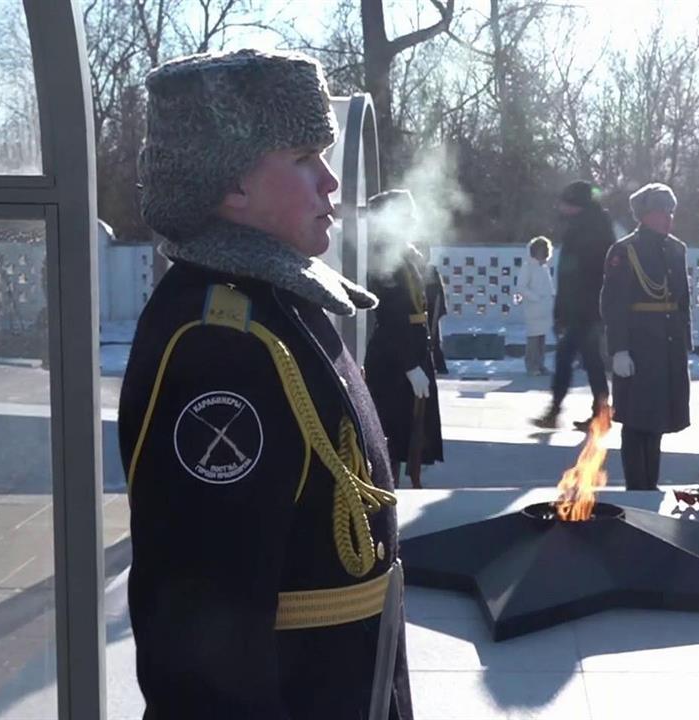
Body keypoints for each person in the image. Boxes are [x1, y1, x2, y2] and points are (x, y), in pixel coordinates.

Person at [117, 49, 412, 718]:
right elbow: (199, 635)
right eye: (305, 157)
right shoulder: (218, 342)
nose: (331, 182)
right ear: (233, 185)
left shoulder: (278, 303)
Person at [601, 183, 691, 491]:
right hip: (639, 345)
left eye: (670, 211)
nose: (667, 218)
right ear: (644, 215)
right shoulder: (624, 251)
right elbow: (613, 303)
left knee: (658, 420)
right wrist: (619, 349)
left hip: (667, 345)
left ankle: (650, 484)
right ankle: (637, 487)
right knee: (637, 421)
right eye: (661, 211)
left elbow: (682, 302)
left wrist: (684, 345)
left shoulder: (677, 249)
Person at [364, 189, 443, 486]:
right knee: (392, 433)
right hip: (394, 358)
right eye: (405, 216)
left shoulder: (404, 252)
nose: (412, 221)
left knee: (408, 432)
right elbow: (392, 314)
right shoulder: (385, 254)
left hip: (412, 350)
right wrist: (410, 365)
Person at [532, 180, 615, 431]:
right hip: (593, 307)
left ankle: (558, 410)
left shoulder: (582, 229)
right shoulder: (597, 225)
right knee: (591, 361)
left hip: (584, 308)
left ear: (576, 204)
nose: (561, 207)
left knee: (567, 356)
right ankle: (600, 413)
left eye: (565, 202)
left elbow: (570, 275)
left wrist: (562, 311)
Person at [516, 236, 555, 376]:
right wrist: (536, 298)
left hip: (543, 310)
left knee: (541, 339)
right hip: (533, 309)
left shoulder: (543, 267)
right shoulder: (528, 266)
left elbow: (547, 287)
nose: (542, 254)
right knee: (533, 339)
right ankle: (531, 366)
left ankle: (540, 365)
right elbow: (521, 287)